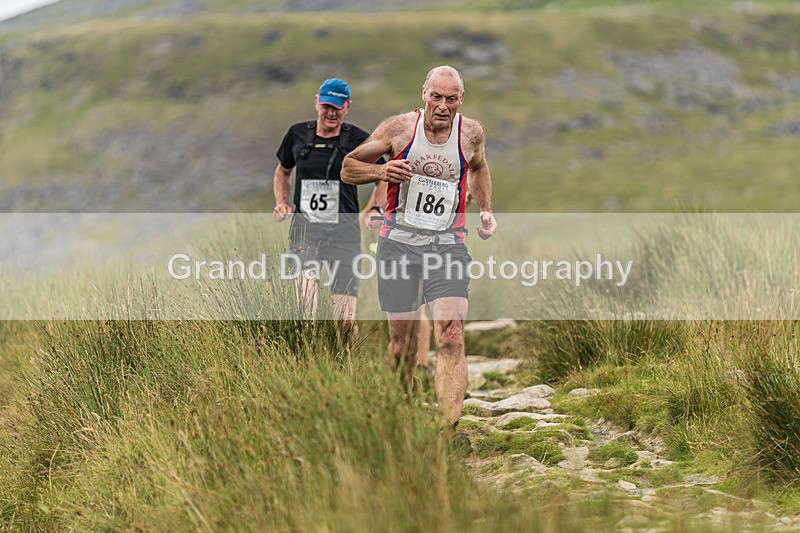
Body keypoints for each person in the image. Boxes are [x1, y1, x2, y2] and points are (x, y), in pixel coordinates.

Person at [342, 65, 497, 424]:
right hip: (398, 245)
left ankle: (449, 430)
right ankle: (402, 413)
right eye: (437, 97)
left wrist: (486, 210)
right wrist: (382, 171)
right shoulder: (399, 129)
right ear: (424, 95)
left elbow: (479, 167)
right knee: (403, 346)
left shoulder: (471, 132)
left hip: (448, 244)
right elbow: (348, 168)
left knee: (452, 335)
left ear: (461, 99)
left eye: (451, 98)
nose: (443, 105)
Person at [273, 78, 371, 337]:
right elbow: (283, 171)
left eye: (337, 106)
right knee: (307, 309)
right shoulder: (297, 134)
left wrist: (375, 209)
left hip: (345, 232)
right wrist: (282, 203)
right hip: (306, 229)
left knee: (344, 323)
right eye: (327, 105)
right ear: (317, 101)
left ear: (347, 106)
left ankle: (347, 368)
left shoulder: (359, 139)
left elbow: (385, 172)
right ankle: (307, 364)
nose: (331, 112)